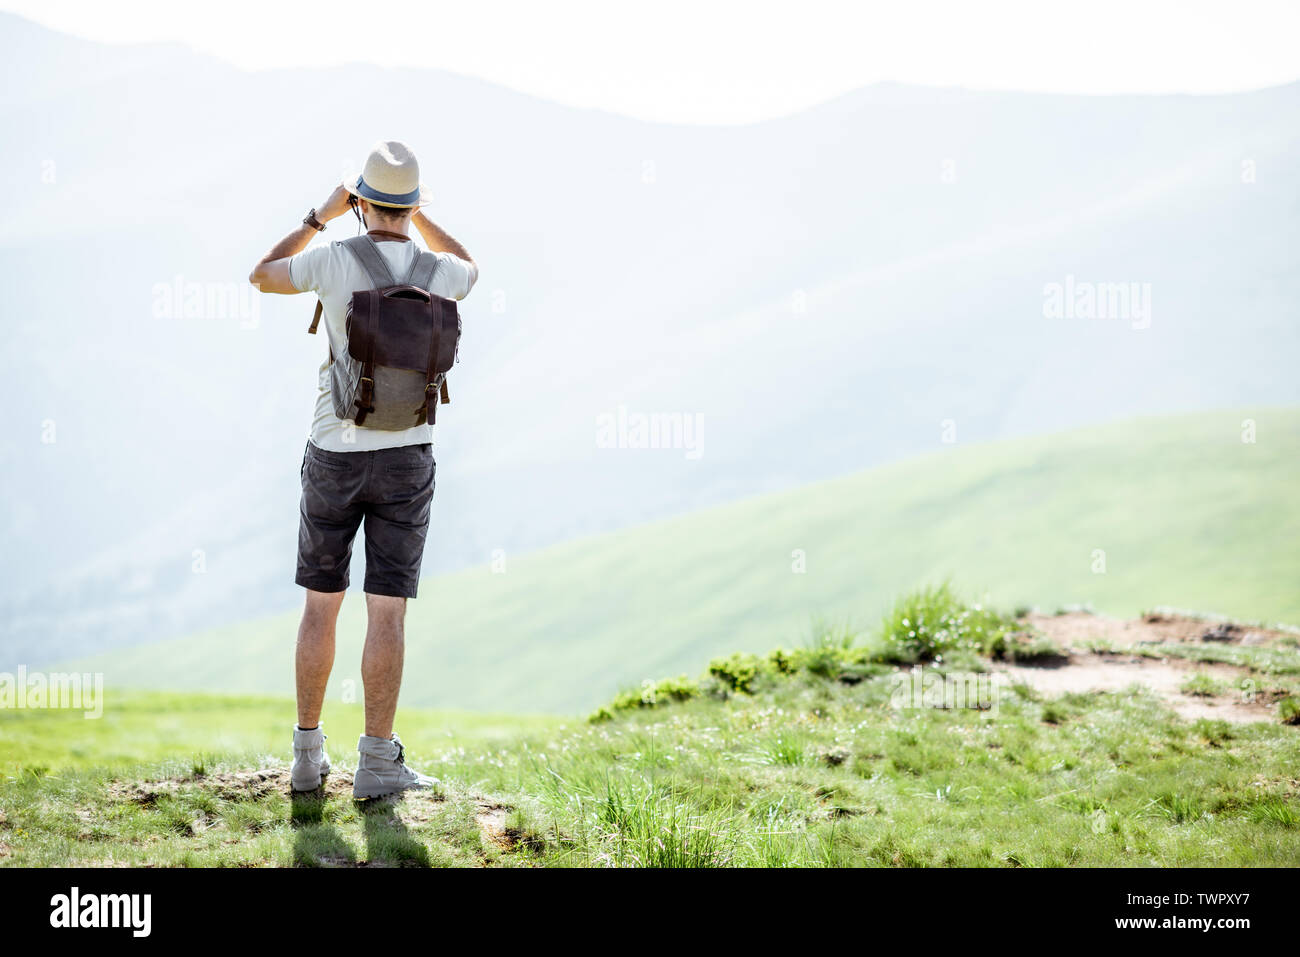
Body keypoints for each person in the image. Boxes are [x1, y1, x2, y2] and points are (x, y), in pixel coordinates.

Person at [248, 141, 477, 798]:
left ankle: (304, 756)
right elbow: (473, 267)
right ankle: (377, 764)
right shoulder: (438, 269)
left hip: (333, 454)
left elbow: (261, 273)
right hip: (407, 456)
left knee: (321, 607)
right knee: (388, 613)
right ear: (410, 206)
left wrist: (320, 216)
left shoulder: (333, 258)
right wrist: (421, 222)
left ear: (360, 202)